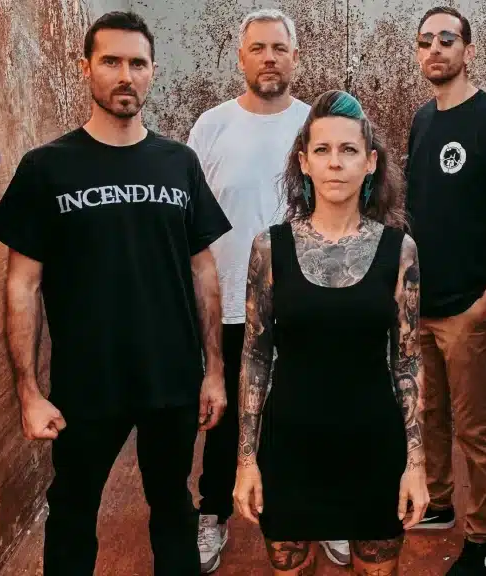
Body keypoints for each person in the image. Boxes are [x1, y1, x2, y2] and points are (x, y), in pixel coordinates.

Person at [0, 11, 232, 576]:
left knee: (173, 509)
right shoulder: (47, 167)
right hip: (87, 383)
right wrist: (28, 391)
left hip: (171, 378)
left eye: (137, 63)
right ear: (85, 68)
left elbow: (204, 272)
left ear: (153, 71)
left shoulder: (179, 163)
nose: (125, 75)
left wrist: (214, 371)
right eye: (111, 61)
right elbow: (22, 284)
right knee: (73, 512)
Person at [231, 90, 429, 575]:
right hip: (290, 445)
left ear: (370, 162)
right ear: (304, 162)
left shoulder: (399, 250)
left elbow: (407, 361)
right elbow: (255, 357)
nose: (335, 162)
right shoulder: (269, 248)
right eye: (322, 150)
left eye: (348, 150)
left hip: (373, 445)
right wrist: (246, 460)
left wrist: (416, 463)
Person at [184, 8, 321, 573]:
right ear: (241, 57)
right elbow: (191, 220)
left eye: (279, 49)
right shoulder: (210, 127)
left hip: (304, 302)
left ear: (295, 58)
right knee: (226, 417)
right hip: (231, 302)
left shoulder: (316, 125)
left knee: (308, 411)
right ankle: (213, 512)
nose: (269, 58)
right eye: (258, 48)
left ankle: (317, 513)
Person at [404, 6, 486, 575]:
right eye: (425, 41)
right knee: (428, 412)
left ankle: (484, 540)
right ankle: (437, 503)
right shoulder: (421, 120)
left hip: (469, 310)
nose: (435, 49)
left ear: (469, 50)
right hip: (421, 308)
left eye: (447, 39)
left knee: (477, 431)